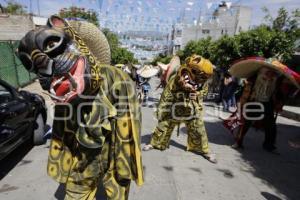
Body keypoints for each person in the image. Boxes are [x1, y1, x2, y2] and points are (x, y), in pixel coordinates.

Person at [17, 15, 143, 200]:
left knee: (118, 189)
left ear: (82, 47)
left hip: (113, 150)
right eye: (36, 66)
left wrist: (124, 162)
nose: (45, 67)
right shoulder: (62, 91)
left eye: (53, 47)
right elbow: (62, 128)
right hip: (85, 156)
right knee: (76, 192)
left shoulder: (116, 77)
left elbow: (130, 122)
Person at [143, 55, 217, 163]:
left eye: (204, 77)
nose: (202, 79)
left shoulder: (202, 81)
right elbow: (167, 95)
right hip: (174, 108)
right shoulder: (176, 79)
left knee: (199, 129)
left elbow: (204, 92)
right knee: (163, 125)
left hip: (191, 109)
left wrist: (197, 94)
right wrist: (161, 109)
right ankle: (154, 144)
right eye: (201, 75)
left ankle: (205, 150)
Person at [228, 58, 300, 152]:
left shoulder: (277, 81)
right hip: (253, 101)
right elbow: (245, 92)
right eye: (267, 73)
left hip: (268, 103)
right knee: (245, 123)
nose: (269, 77)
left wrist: (279, 102)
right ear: (261, 72)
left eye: (273, 74)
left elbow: (280, 92)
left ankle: (269, 145)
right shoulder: (253, 78)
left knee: (271, 125)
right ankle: (238, 142)